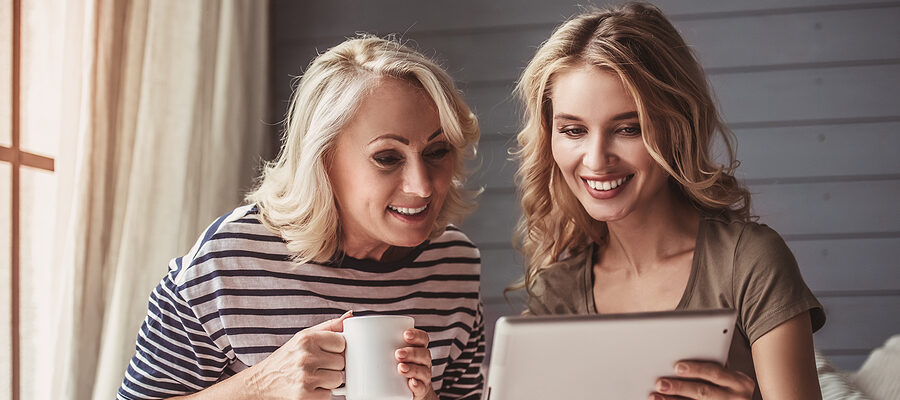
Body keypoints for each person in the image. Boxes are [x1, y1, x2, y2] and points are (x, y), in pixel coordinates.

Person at [118, 35, 484, 400]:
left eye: (437, 151)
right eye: (387, 157)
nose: (422, 186)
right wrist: (261, 385)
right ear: (323, 160)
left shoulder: (453, 265)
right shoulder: (227, 261)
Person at [512, 3, 825, 399]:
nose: (595, 160)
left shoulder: (748, 262)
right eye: (573, 130)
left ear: (678, 128)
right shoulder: (557, 293)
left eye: (628, 128)